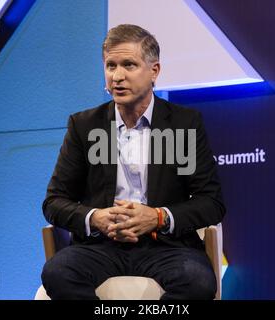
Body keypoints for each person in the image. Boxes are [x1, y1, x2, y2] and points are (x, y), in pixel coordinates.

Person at [41, 24, 225, 300]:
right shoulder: (84, 126)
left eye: (129, 64)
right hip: (100, 246)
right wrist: (96, 218)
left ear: (154, 71)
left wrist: (158, 217)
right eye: (110, 65)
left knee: (198, 281)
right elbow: (54, 202)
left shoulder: (184, 124)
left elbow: (211, 202)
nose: (117, 76)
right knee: (58, 273)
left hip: (166, 247)